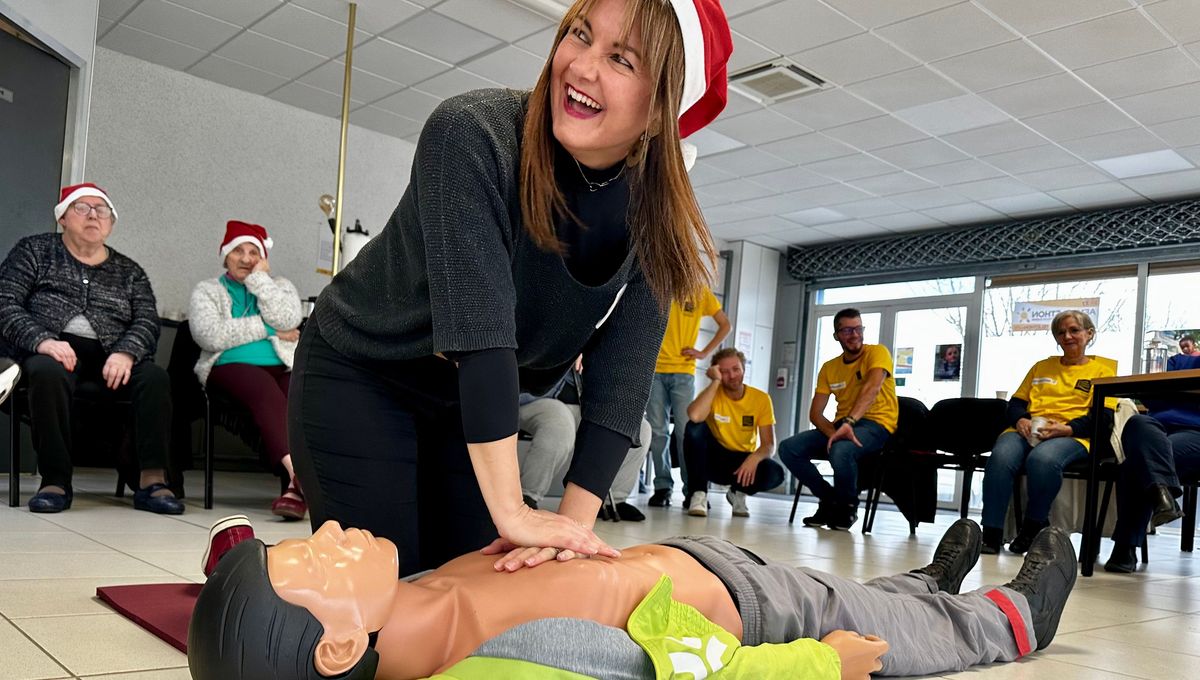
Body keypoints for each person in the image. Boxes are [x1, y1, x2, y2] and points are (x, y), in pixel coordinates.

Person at [289, 0, 734, 576]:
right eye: (580, 34)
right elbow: (482, 334)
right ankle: (243, 569)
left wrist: (569, 532)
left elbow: (619, 389)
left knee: (471, 589)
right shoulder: (474, 133)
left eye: (621, 59)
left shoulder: (656, 217)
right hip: (363, 369)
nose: (580, 66)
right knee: (386, 590)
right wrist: (513, 513)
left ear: (660, 109)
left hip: (465, 406)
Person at [189, 517, 1077, 680]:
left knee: (851, 589)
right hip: (755, 617)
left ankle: (919, 582)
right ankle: (1014, 617)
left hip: (699, 559)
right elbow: (687, 675)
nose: (337, 530)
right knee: (891, 633)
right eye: (321, 562)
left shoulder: (415, 592)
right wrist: (813, 668)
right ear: (340, 646)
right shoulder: (511, 668)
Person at [0, 183, 181, 514]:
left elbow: (146, 321)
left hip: (113, 355)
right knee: (45, 370)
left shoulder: (130, 271)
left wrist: (126, 351)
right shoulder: (34, 251)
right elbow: (6, 303)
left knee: (154, 377)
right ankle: (55, 481)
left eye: (102, 210)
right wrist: (43, 340)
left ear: (111, 223)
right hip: (51, 349)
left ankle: (152, 480)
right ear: (63, 218)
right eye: (82, 208)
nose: (93, 215)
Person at [189, 220, 304, 519]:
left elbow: (289, 318)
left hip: (282, 366)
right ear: (225, 254)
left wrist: (261, 283)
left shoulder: (280, 287)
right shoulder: (208, 290)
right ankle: (301, 474)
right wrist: (269, 329)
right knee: (262, 387)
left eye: (254, 251)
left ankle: (293, 490)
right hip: (228, 366)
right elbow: (209, 334)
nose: (246, 258)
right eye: (238, 250)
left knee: (298, 393)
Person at [980, 309, 1117, 555]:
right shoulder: (1041, 366)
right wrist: (1021, 419)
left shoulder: (1103, 371)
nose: (1068, 336)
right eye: (1061, 332)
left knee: (1042, 460)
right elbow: (1016, 403)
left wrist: (1068, 428)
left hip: (1072, 434)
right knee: (1000, 458)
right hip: (1029, 428)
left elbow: (1103, 417)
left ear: (1089, 334)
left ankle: (1033, 526)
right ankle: (991, 533)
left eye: (1074, 330)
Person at [778, 308, 898, 530]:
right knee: (788, 448)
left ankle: (847, 507)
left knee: (841, 449)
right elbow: (815, 413)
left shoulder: (877, 353)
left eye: (858, 328)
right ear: (836, 335)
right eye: (847, 330)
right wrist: (835, 433)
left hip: (876, 425)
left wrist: (849, 423)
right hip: (842, 425)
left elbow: (872, 389)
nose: (855, 334)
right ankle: (831, 499)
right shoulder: (829, 368)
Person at [1105, 352, 1200, 573]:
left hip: (1196, 433)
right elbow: (1152, 396)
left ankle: (1125, 547)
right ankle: (1163, 497)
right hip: (1157, 429)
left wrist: (1179, 394)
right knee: (1137, 422)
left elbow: (1166, 394)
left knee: (1135, 464)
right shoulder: (1179, 362)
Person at [517, 365, 652, 521]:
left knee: (640, 428)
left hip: (585, 407)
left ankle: (614, 500)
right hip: (538, 400)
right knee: (558, 423)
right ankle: (527, 495)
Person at [647, 285, 731, 508]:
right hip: (654, 370)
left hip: (684, 372)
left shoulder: (700, 292)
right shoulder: (659, 287)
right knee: (658, 432)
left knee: (686, 433)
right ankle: (662, 487)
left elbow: (725, 324)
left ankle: (692, 490)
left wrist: (704, 353)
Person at [682, 347, 783, 518]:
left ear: (743, 368)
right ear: (718, 373)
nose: (732, 375)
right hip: (713, 459)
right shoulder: (713, 393)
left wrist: (754, 458)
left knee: (775, 472)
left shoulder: (761, 399)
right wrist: (715, 382)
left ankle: (737, 492)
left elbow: (769, 445)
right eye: (724, 371)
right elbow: (695, 415)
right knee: (694, 428)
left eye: (736, 369)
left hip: (742, 461)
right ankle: (698, 494)